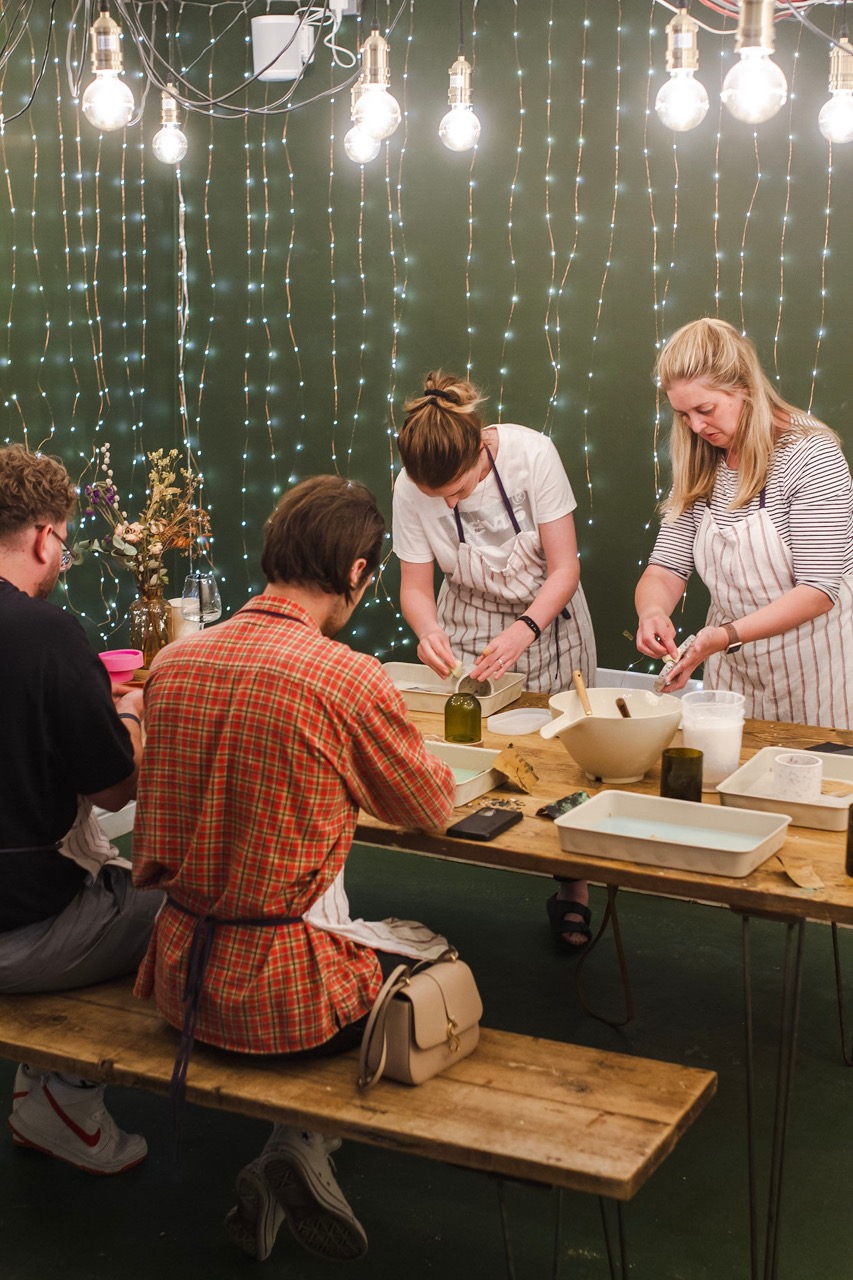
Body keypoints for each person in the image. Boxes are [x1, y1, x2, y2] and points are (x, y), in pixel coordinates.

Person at [132, 475, 456, 1265]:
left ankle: (290, 1157)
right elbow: (429, 807)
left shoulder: (171, 664)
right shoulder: (345, 676)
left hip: (179, 980)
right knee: (434, 966)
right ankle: (299, 1151)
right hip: (284, 1003)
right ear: (354, 572)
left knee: (335, 925)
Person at [393, 371, 597, 951]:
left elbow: (564, 570)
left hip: (549, 619)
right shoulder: (411, 486)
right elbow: (415, 584)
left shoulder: (534, 454)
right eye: (440, 498)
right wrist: (427, 627)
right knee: (470, 745)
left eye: (459, 490)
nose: (451, 502)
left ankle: (573, 889)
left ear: (482, 445)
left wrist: (525, 630)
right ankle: (465, 858)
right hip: (470, 618)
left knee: (562, 759)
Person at [0, 443, 162, 1174]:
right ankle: (66, 1099)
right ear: (42, 537)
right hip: (19, 934)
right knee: (179, 903)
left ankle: (43, 1087)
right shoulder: (46, 633)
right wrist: (128, 717)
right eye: (63, 541)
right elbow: (116, 791)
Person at [635, 317, 853, 727]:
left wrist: (724, 635)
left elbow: (818, 589)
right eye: (683, 415)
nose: (696, 427)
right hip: (735, 673)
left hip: (818, 670)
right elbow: (667, 565)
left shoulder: (811, 457)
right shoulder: (703, 459)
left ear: (745, 389)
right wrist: (651, 611)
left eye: (706, 409)